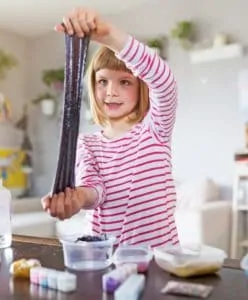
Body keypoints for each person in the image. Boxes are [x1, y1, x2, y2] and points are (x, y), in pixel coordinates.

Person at [42, 7, 179, 248]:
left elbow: (164, 82)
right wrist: (77, 199)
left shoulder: (155, 129)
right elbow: (95, 190)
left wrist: (111, 37)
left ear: (141, 88)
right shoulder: (88, 143)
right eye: (102, 81)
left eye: (124, 82)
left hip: (159, 259)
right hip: (106, 260)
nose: (111, 92)